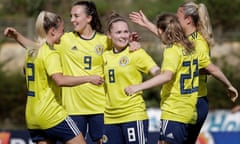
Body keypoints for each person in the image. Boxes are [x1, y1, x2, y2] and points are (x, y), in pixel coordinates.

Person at [129, 2, 238, 143]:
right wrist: (147, 24)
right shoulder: (186, 42)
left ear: (188, 20)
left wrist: (228, 85)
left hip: (190, 101)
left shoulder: (197, 43)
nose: (174, 19)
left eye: (177, 16)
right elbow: (170, 39)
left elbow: (209, 69)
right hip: (189, 104)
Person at [3, 10, 107, 144]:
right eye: (62, 31)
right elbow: (60, 80)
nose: (63, 35)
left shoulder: (31, 52)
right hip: (52, 114)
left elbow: (28, 57)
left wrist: (16, 35)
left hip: (32, 117)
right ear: (52, 31)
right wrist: (89, 78)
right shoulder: (50, 53)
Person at [102, 12, 160, 144]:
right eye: (118, 32)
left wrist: (139, 86)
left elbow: (159, 74)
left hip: (133, 115)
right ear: (109, 35)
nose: (123, 36)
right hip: (109, 118)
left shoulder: (136, 53)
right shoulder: (104, 56)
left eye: (125, 32)